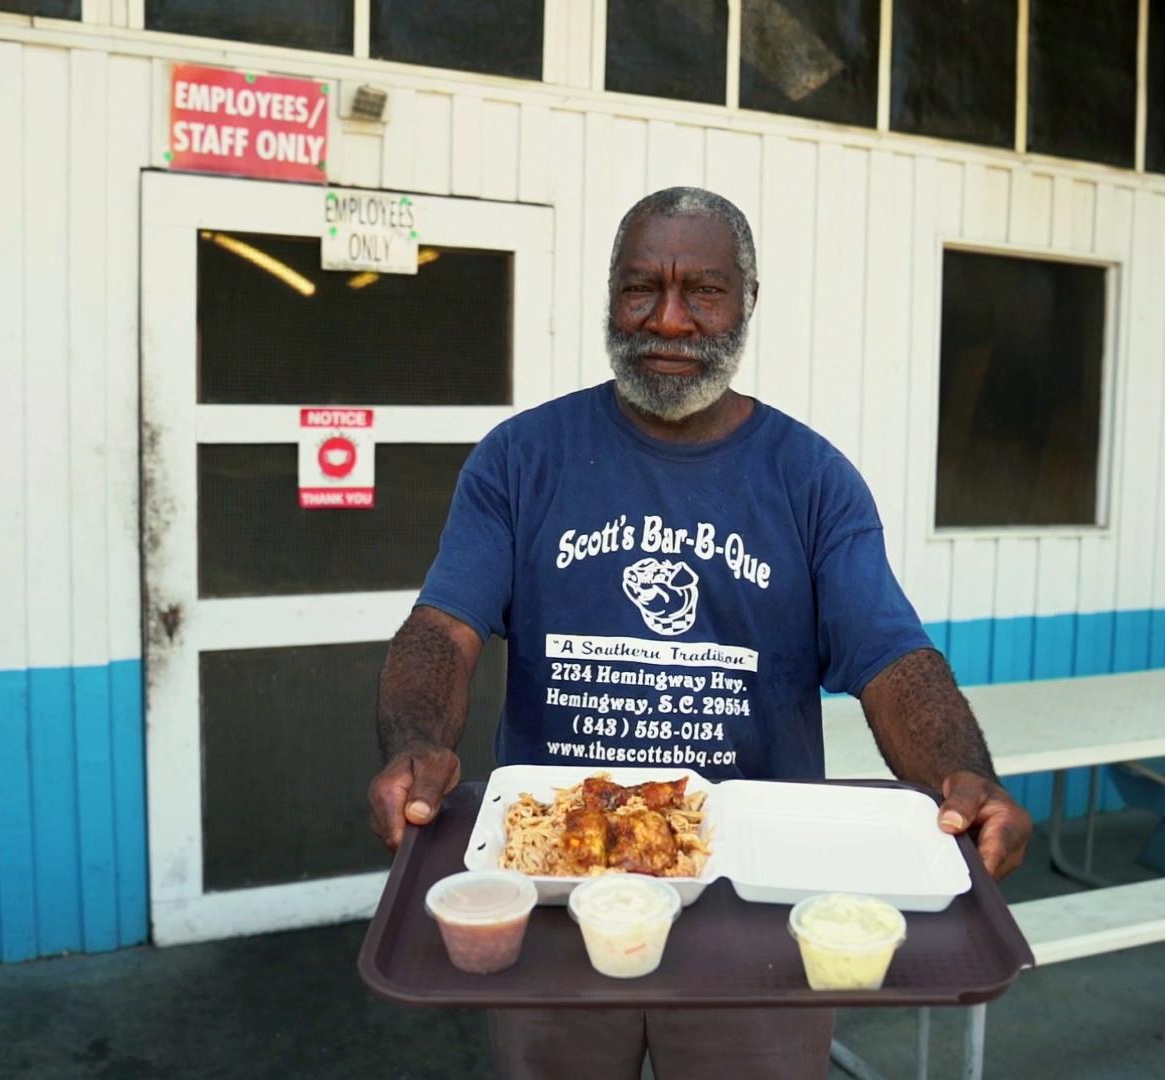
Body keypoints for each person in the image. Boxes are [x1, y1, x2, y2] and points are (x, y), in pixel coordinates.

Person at [366, 186, 1032, 1080]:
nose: (670, 321)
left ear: (747, 300)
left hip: (751, 906)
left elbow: (891, 659)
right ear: (610, 296)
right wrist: (415, 744)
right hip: (560, 883)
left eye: (704, 291)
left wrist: (962, 774)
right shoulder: (521, 458)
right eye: (642, 288)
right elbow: (442, 630)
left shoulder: (812, 479)